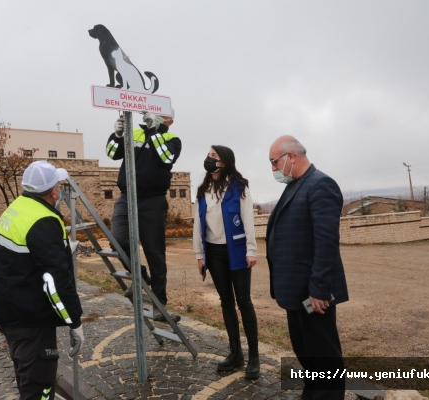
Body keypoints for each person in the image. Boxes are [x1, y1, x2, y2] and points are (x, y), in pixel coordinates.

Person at [0, 160, 84, 400]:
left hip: (12, 313)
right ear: (54, 192)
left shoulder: (18, 207)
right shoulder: (44, 221)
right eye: (59, 186)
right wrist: (74, 321)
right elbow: (55, 282)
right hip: (31, 322)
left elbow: (27, 257)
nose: (61, 190)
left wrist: (59, 248)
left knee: (27, 380)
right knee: (38, 389)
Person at [266, 136, 349, 400]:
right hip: (295, 291)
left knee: (324, 357)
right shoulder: (296, 185)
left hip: (312, 292)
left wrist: (319, 289)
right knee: (307, 353)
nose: (273, 169)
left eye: (274, 161)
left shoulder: (320, 184)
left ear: (291, 156)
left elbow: (326, 243)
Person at [106, 111, 181, 322]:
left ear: (169, 120)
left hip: (153, 201)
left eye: (161, 114)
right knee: (118, 240)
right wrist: (118, 135)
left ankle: (159, 303)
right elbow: (112, 154)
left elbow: (165, 157)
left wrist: (152, 130)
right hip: (126, 197)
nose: (155, 115)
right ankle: (140, 276)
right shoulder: (134, 133)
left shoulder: (172, 139)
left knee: (154, 252)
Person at [193, 145, 260, 379]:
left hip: (237, 251)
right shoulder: (203, 189)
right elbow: (197, 223)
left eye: (214, 156)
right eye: (208, 155)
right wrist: (199, 255)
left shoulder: (239, 186)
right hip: (214, 252)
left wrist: (251, 250)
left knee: (244, 302)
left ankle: (254, 357)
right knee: (226, 302)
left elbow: (248, 219)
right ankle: (236, 353)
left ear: (224, 162)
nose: (209, 159)